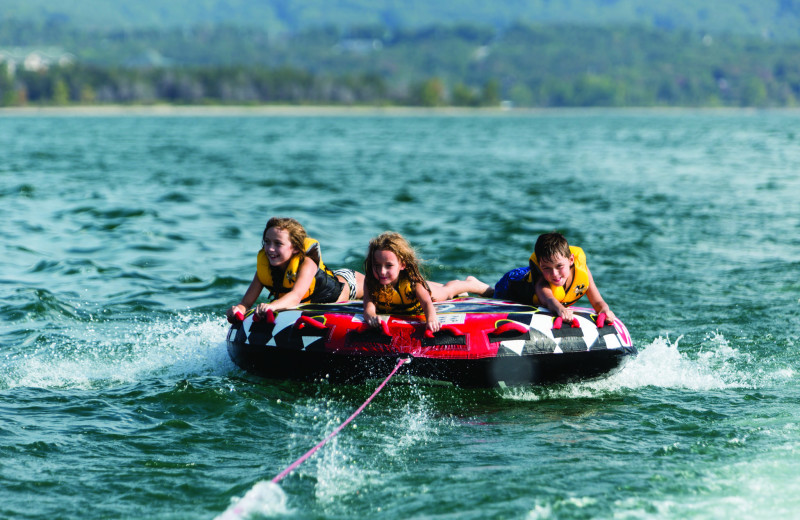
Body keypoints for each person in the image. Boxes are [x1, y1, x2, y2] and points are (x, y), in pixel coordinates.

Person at [226, 217, 364, 322]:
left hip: (349, 284)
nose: (270, 248)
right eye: (267, 242)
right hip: (316, 294)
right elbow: (246, 303)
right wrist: (238, 309)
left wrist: (272, 306)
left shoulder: (307, 262)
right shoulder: (265, 267)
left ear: (296, 248)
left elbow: (296, 296)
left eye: (278, 243)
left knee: (381, 293)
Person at [362, 232, 491, 333]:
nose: (382, 271)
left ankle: (472, 283)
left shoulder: (413, 283)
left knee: (448, 291)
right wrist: (372, 317)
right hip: (408, 293)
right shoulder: (371, 283)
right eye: (377, 265)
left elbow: (427, 303)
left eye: (388, 265)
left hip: (429, 294)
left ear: (403, 264)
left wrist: (431, 319)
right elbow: (368, 306)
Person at [490, 232, 616, 324]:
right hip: (513, 282)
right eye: (546, 268)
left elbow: (598, 302)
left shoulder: (582, 271)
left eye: (559, 266)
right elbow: (549, 299)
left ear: (571, 260)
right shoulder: (542, 283)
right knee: (496, 295)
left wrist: (605, 310)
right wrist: (560, 309)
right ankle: (473, 285)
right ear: (540, 266)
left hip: (525, 279)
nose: (554, 274)